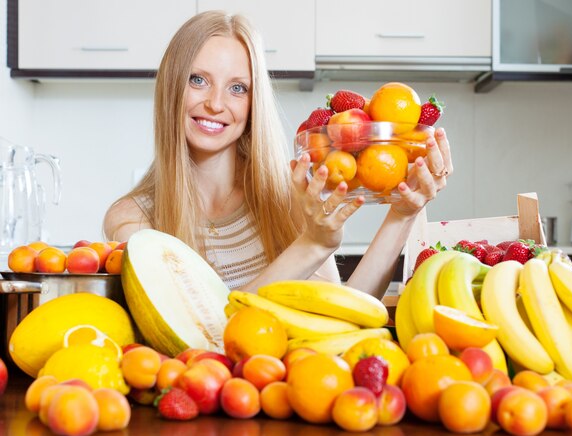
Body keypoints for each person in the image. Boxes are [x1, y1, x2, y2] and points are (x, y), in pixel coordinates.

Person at [103, 10, 453, 299]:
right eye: (198, 80)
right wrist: (312, 245)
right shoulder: (133, 221)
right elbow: (205, 332)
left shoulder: (289, 195)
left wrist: (403, 214)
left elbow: (346, 314)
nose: (215, 103)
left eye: (237, 88)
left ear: (255, 103)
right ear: (171, 86)